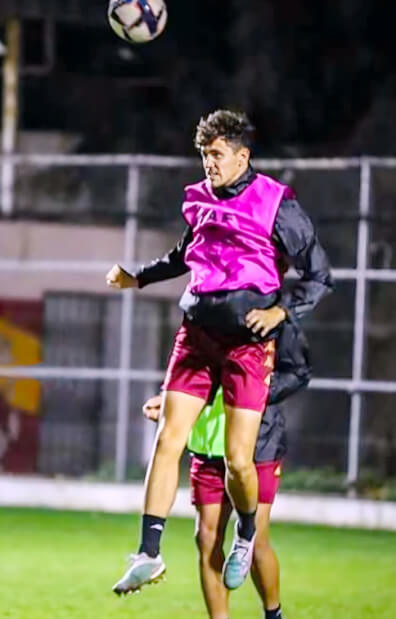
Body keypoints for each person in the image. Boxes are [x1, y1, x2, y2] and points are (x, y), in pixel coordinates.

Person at [107, 110, 332, 594]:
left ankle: (247, 533)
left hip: (248, 344)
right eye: (204, 155)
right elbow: (182, 256)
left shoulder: (276, 203)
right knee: (169, 438)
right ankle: (148, 552)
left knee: (237, 461)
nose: (208, 164)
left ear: (242, 156)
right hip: (197, 334)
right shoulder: (197, 200)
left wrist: (281, 312)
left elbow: (319, 275)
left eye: (217, 155)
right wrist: (138, 277)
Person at [142, 313, 308, 619]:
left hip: (257, 444)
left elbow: (298, 372)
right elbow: (191, 377)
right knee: (206, 538)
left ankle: (273, 614)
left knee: (257, 542)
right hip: (207, 444)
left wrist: (244, 393)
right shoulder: (200, 313)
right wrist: (170, 403)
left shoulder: (272, 315)